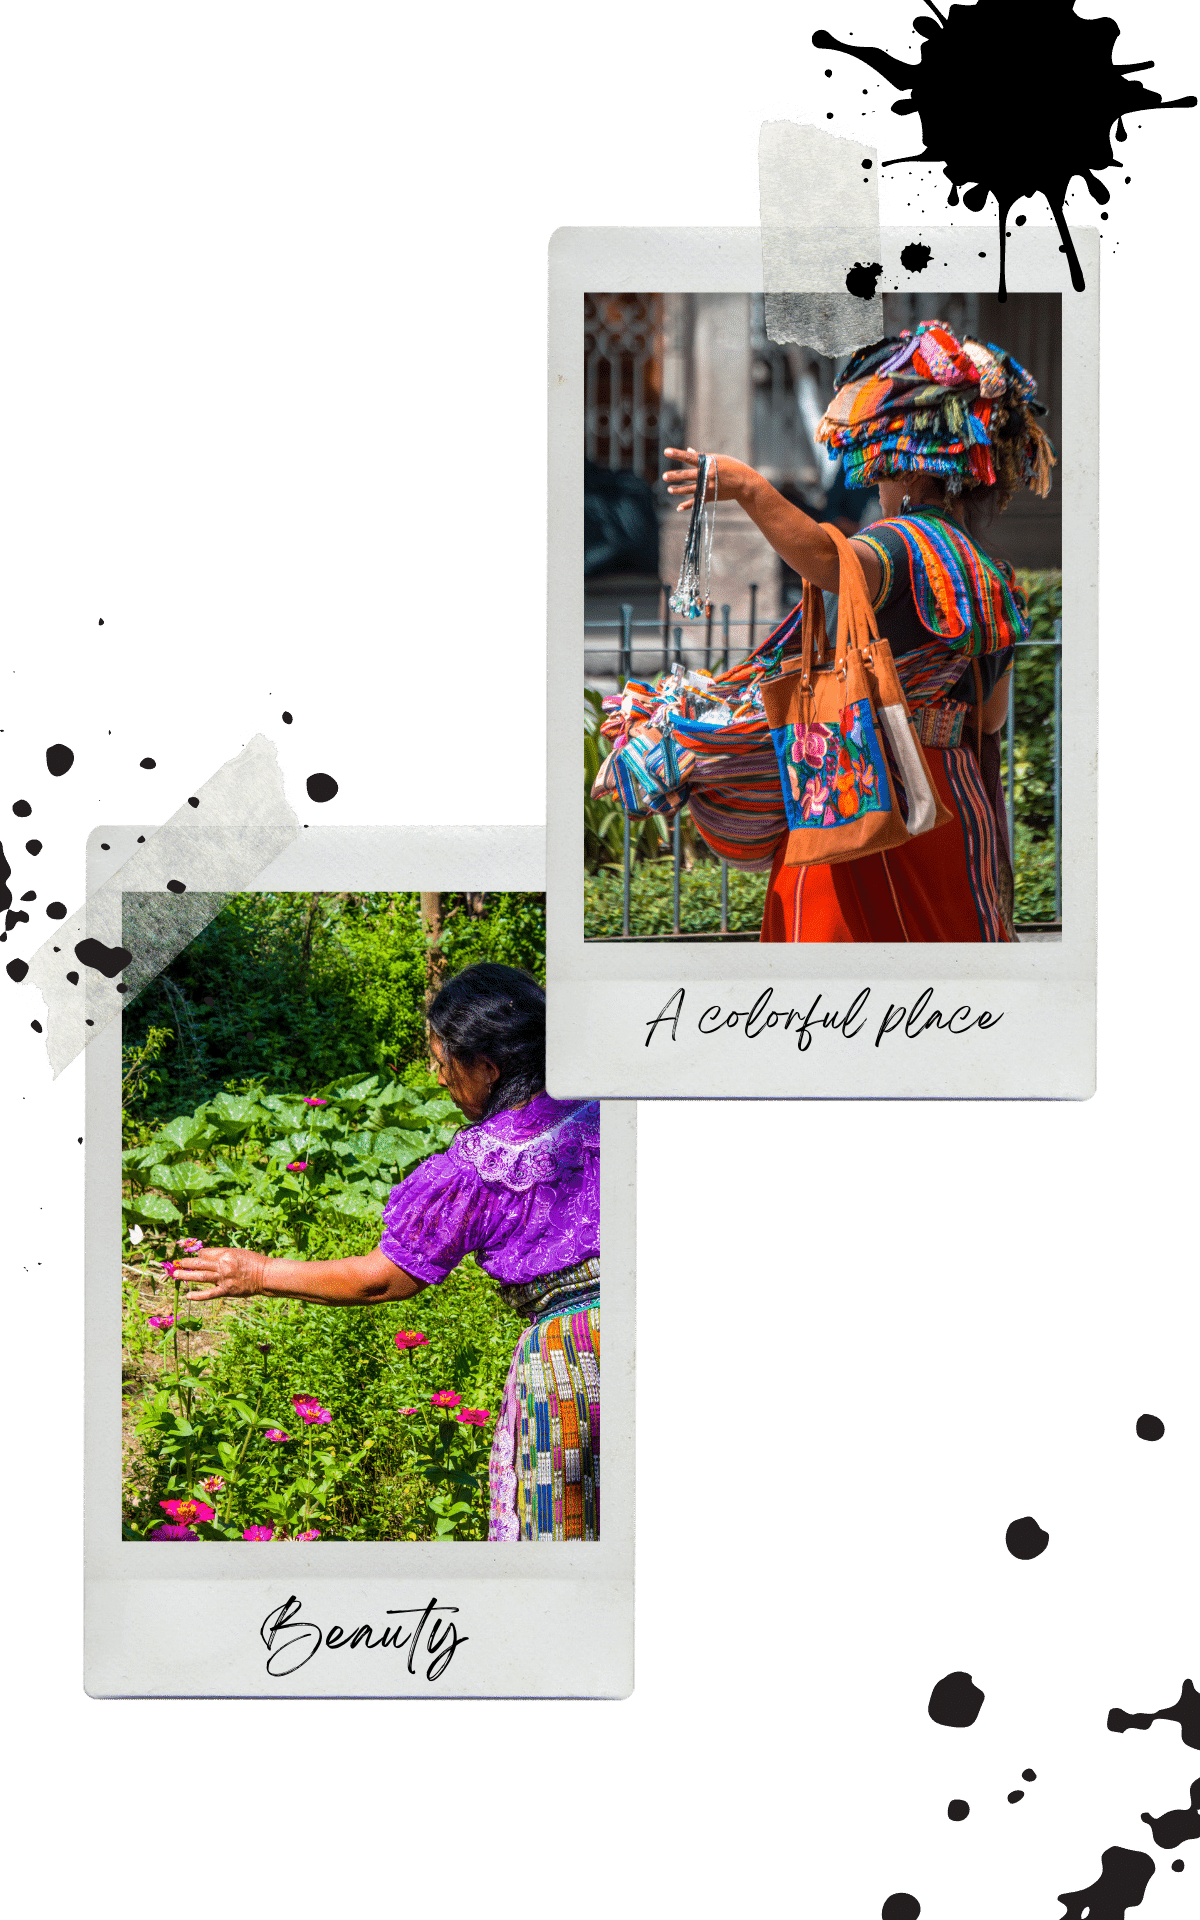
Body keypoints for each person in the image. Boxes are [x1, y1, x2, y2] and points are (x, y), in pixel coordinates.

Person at [177, 963, 600, 1542]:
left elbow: (382, 1278)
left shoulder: (485, 1166)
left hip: (573, 1361)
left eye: (442, 1061)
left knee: (565, 1532)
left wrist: (258, 1271)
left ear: (489, 1067)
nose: (438, 1078)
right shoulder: (612, 1104)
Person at [663, 320, 1056, 942]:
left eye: (878, 466)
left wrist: (747, 487)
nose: (872, 479)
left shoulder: (899, 543)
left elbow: (830, 561)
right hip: (956, 804)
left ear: (906, 466)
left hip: (873, 796)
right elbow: (986, 724)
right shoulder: (992, 576)